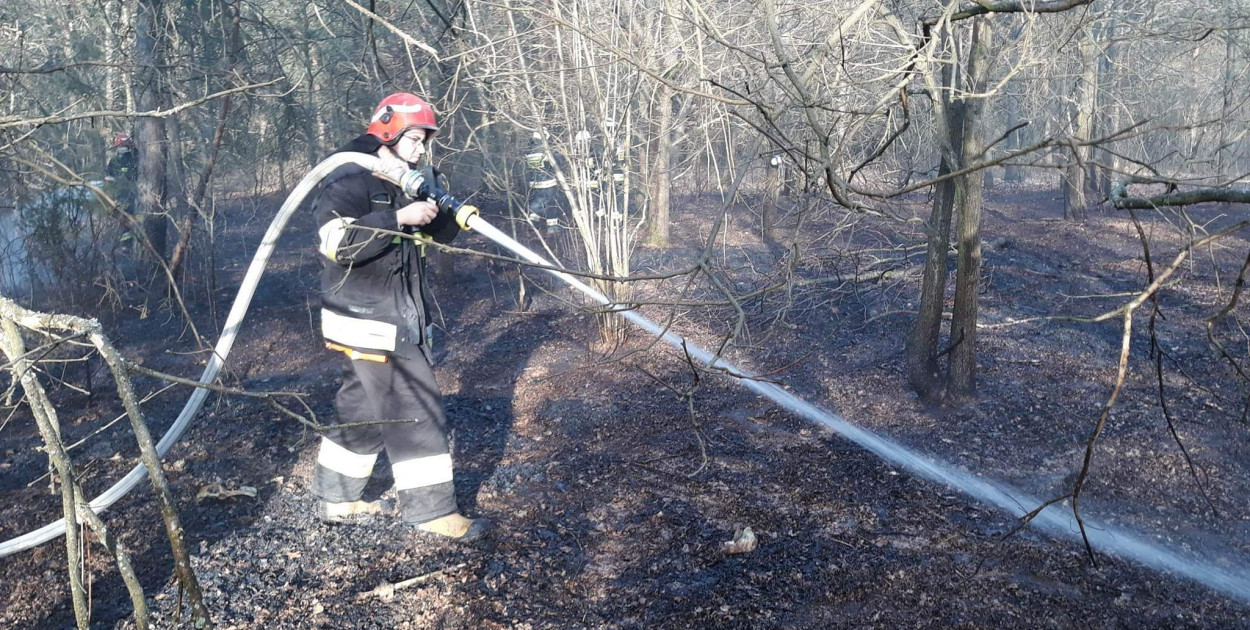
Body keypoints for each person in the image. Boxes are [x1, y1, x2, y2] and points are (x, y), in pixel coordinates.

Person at [309, 92, 488, 542]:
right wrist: (397, 218)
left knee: (362, 406)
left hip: (386, 313)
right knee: (415, 406)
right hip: (369, 317)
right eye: (414, 137)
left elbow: (424, 235)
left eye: (425, 139)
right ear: (387, 131)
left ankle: (336, 497)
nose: (421, 148)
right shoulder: (346, 173)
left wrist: (451, 219)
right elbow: (337, 244)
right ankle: (432, 511)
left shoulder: (406, 176)